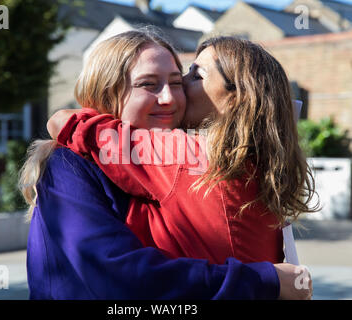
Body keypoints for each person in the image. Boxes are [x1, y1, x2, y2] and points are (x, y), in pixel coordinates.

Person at [21, 29, 312, 300]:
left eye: (180, 80)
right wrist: (266, 280)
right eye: (148, 84)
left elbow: (94, 135)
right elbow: (114, 274)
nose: (171, 96)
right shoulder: (70, 164)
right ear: (106, 92)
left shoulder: (191, 155)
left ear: (238, 99)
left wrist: (67, 119)